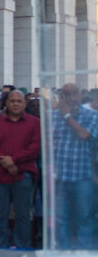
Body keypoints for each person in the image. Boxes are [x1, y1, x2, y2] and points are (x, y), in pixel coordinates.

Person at [0, 89, 40, 249]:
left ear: (25, 103)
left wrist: (14, 160)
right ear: (6, 104)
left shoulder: (34, 122)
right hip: (0, 176)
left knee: (23, 215)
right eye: (12, 101)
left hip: (23, 174)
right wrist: (7, 163)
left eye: (19, 101)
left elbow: (35, 148)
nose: (15, 104)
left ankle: (22, 247)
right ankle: (0, 246)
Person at [50, 82, 98, 249]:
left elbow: (84, 135)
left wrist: (66, 116)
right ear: (61, 97)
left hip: (82, 177)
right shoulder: (53, 116)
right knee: (60, 219)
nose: (71, 98)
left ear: (80, 95)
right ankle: (63, 252)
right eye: (66, 94)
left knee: (84, 218)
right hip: (60, 177)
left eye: (74, 94)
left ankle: (86, 252)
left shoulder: (92, 116)